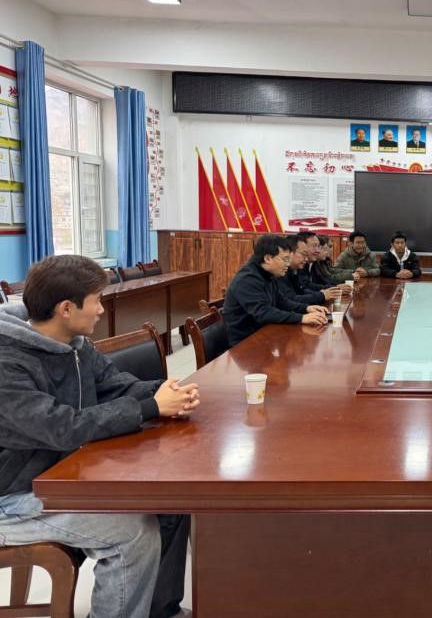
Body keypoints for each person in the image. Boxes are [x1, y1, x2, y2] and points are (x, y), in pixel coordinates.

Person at [0, 255, 199, 618]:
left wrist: (166, 391)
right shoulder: (7, 361)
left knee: (169, 502)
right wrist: (151, 407)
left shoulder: (75, 344)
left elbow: (115, 385)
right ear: (66, 309)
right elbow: (61, 427)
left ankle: (159, 610)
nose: (102, 309)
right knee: (132, 532)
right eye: (97, 300)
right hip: (12, 497)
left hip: (63, 475)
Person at [223, 234, 328, 347]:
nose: (288, 264)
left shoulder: (267, 274)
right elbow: (263, 313)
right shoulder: (247, 279)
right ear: (268, 258)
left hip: (264, 335)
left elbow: (281, 301)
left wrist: (306, 308)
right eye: (285, 259)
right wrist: (301, 318)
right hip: (245, 344)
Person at [280, 233, 342, 307]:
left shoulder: (299, 268)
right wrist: (322, 295)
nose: (318, 250)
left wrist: (327, 291)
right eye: (314, 246)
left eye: (319, 246)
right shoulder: (280, 273)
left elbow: (301, 290)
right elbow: (290, 299)